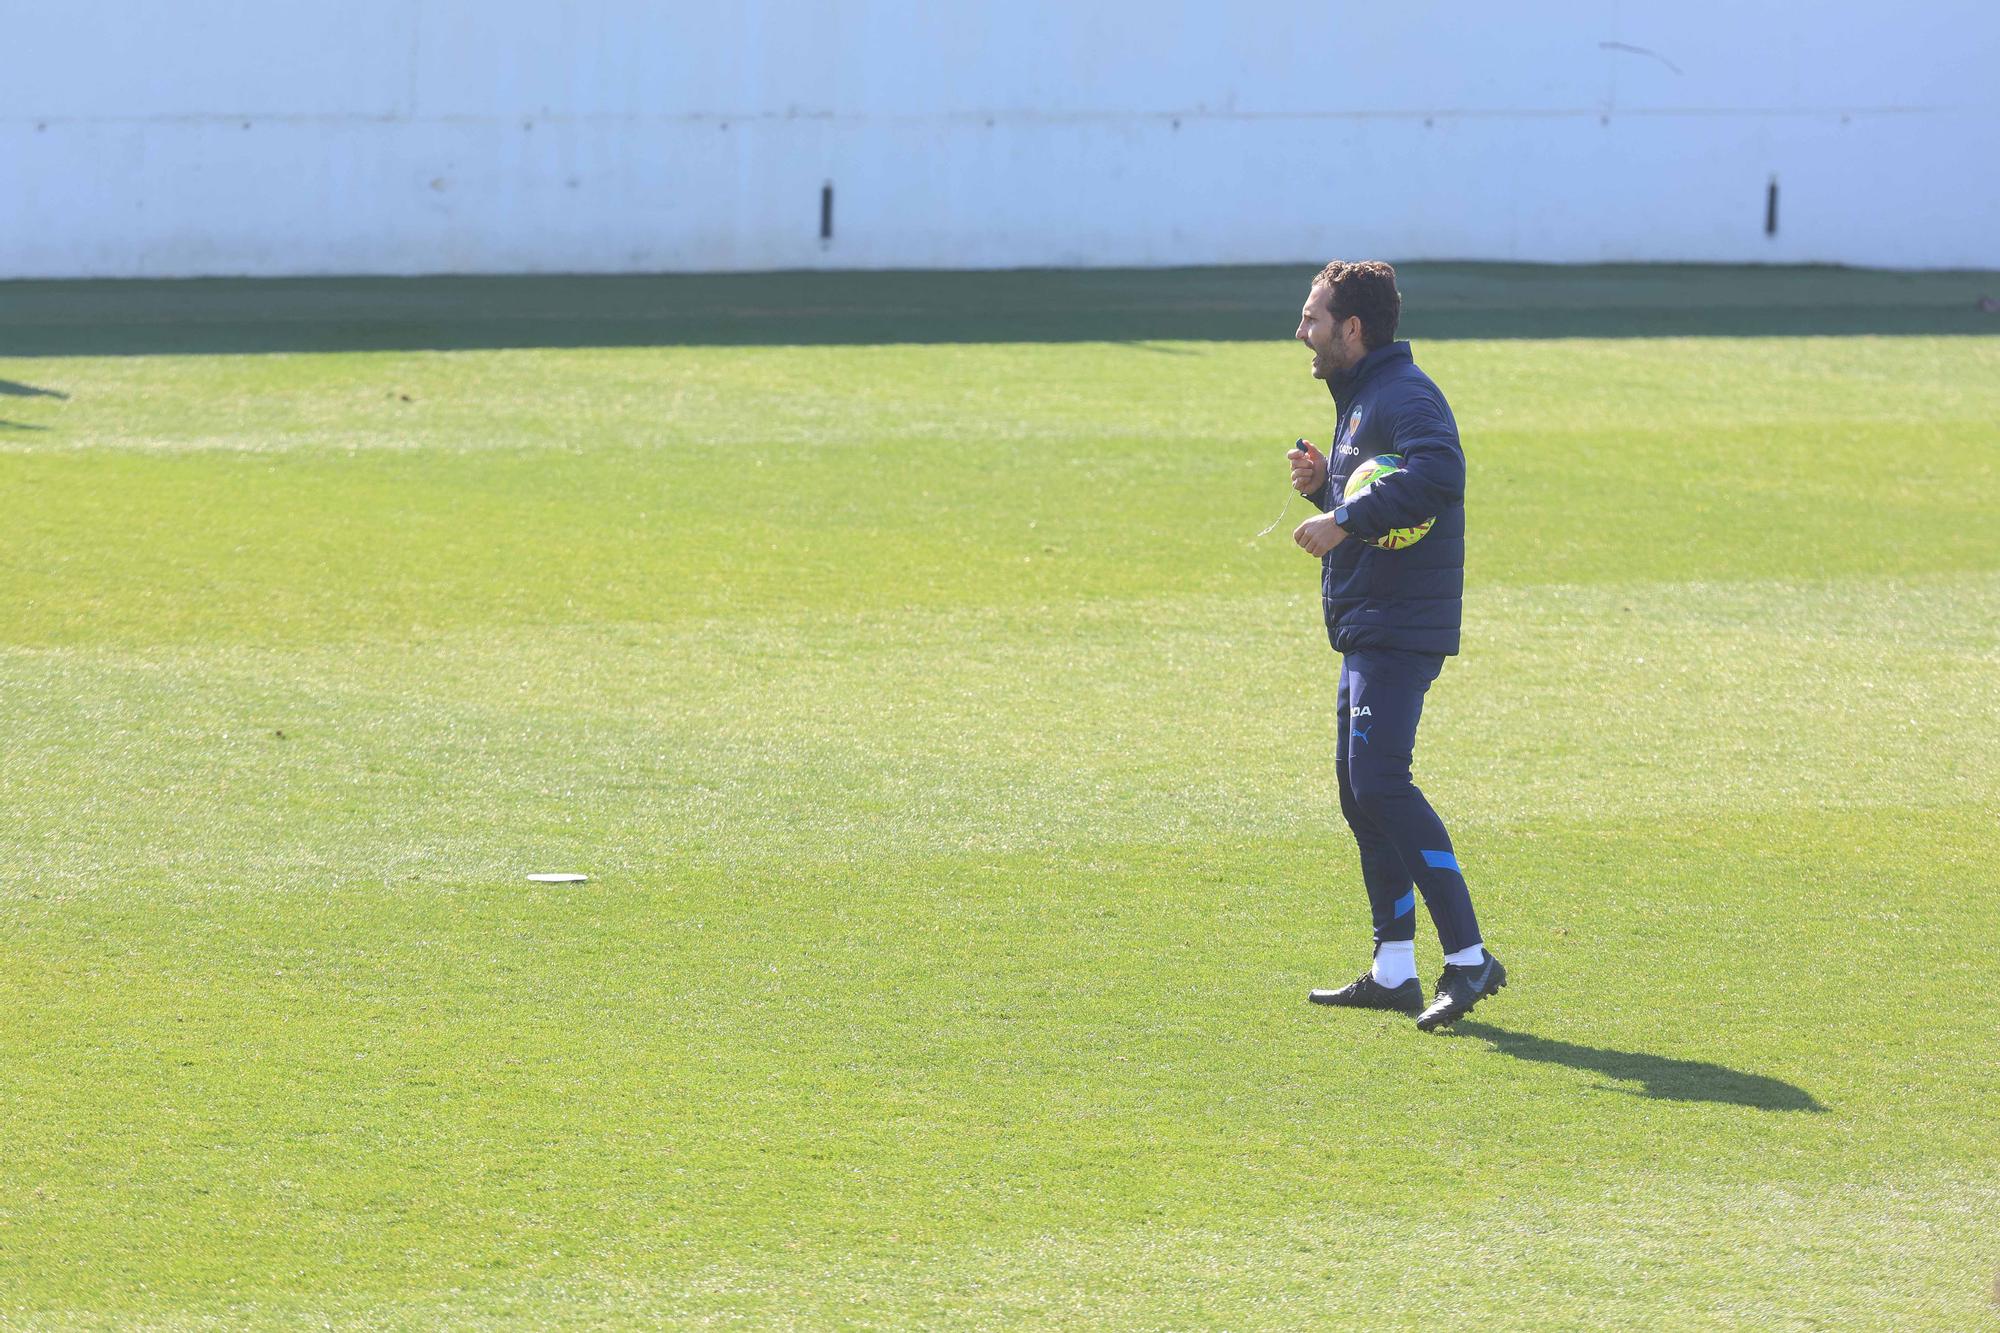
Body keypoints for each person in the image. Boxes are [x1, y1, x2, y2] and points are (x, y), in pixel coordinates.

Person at [1286, 260, 1504, 1032]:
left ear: (1353, 328)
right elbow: (1385, 496)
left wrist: (1341, 520)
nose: (1300, 331)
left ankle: (1471, 958)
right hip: (1370, 619)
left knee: (1381, 782)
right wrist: (1324, 489)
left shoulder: (1405, 394)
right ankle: (1394, 966)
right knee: (1359, 792)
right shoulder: (1362, 399)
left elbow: (1440, 473)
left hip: (1400, 625)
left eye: (1312, 318)